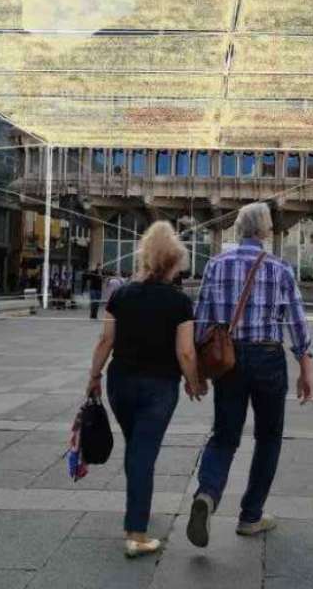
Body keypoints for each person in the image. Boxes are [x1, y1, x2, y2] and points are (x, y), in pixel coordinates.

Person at [187, 201, 313, 548]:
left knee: (224, 435)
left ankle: (208, 495)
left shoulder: (216, 264)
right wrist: (305, 366)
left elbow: (202, 320)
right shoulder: (280, 268)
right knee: (269, 437)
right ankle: (250, 516)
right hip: (268, 357)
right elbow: (296, 320)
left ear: (239, 229)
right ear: (265, 231)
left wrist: (195, 371)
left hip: (228, 360)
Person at [86, 222, 203, 558]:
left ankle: (139, 505)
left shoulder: (120, 295)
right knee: (144, 452)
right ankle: (136, 533)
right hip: (159, 388)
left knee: (136, 446)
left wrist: (93, 376)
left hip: (119, 384)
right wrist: (194, 381)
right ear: (174, 262)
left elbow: (106, 340)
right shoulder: (179, 302)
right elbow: (185, 352)